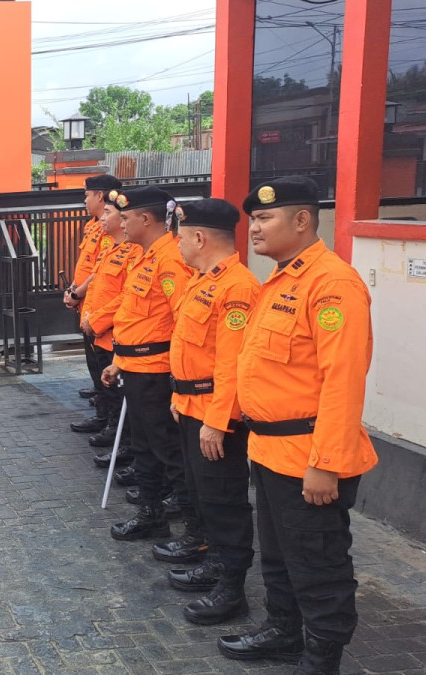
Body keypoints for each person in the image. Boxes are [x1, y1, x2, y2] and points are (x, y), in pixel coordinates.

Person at [217, 176, 377, 675]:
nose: (254, 228)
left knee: (317, 563)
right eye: (253, 219)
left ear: (303, 220)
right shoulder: (280, 281)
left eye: (265, 218)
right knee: (280, 555)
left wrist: (326, 463)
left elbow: (342, 381)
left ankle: (322, 657)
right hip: (269, 452)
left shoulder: (332, 285)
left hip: (309, 457)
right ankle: (284, 631)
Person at [165, 198, 260, 626]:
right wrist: (179, 397)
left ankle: (231, 588)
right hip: (192, 406)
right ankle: (214, 563)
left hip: (215, 416)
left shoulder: (237, 287)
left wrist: (217, 422)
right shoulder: (202, 281)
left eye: (182, 238)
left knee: (224, 501)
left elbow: (232, 363)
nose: (179, 246)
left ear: (200, 238)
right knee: (201, 493)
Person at [97, 186, 198, 548]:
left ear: (146, 218)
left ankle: (193, 530)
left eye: (125, 218)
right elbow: (137, 317)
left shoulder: (170, 260)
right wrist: (120, 361)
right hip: (136, 368)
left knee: (168, 451)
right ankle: (151, 515)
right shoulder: (145, 257)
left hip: (157, 372)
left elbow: (182, 322)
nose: (121, 224)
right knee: (144, 448)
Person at [75, 188, 140, 468]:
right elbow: (97, 287)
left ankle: (123, 442)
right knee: (106, 387)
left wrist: (97, 320)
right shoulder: (109, 248)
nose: (104, 218)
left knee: (119, 394)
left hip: (113, 333)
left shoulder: (133, 253)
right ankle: (114, 431)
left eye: (111, 214)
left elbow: (125, 297)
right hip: (97, 330)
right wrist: (85, 311)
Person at [66, 174, 124, 436]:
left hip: (104, 319)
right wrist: (73, 291)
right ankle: (104, 416)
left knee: (106, 373)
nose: (85, 200)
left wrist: (78, 293)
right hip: (90, 310)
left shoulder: (113, 237)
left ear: (100, 196)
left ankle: (110, 423)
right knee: (96, 366)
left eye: (87, 195)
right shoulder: (96, 227)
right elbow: (90, 267)